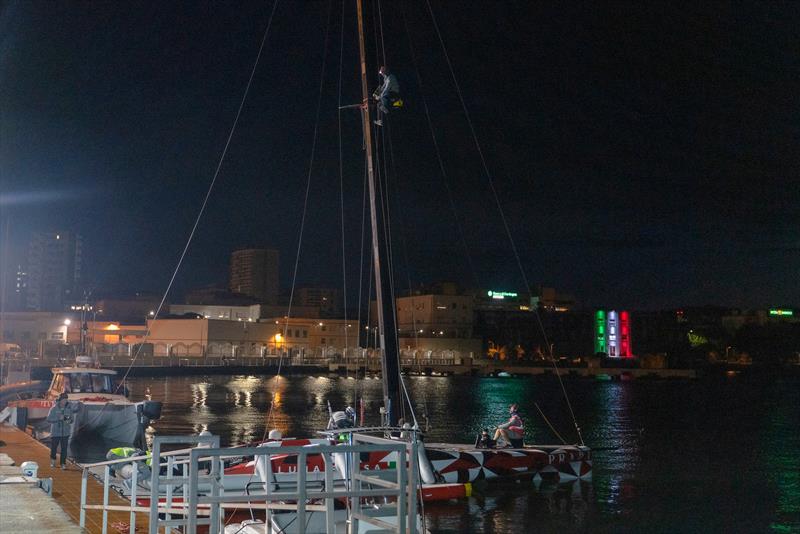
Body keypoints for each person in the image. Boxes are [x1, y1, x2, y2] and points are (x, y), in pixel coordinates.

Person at [46, 392, 80, 469]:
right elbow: (48, 419)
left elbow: (71, 420)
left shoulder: (69, 409)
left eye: (66, 400)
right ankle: (53, 462)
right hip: (55, 433)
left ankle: (63, 463)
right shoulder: (53, 409)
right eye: (63, 400)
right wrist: (58, 418)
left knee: (64, 449)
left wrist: (68, 420)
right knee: (54, 448)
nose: (65, 401)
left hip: (65, 433)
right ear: (60, 400)